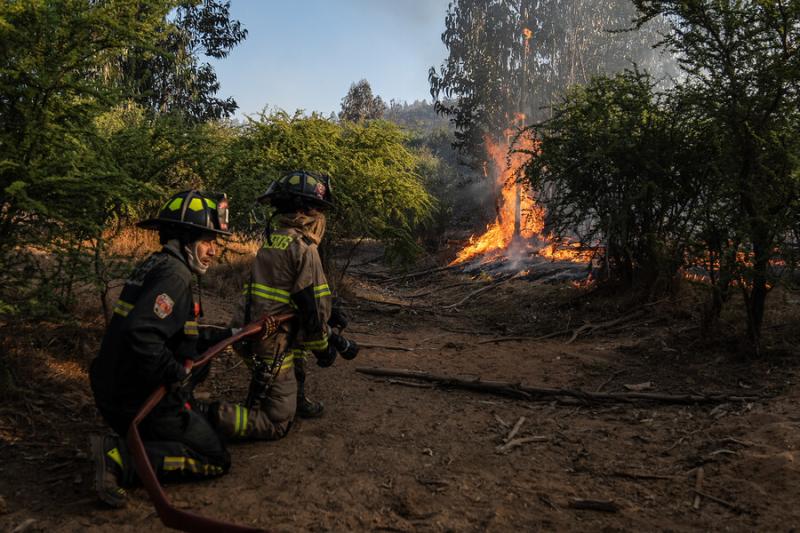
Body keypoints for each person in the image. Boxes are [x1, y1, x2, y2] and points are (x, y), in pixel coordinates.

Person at [89, 189, 235, 508]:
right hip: (141, 400)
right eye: (207, 241)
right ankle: (120, 459)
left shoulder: (159, 264)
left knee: (200, 424)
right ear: (184, 238)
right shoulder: (175, 275)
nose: (213, 251)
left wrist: (231, 334)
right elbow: (142, 334)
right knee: (214, 456)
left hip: (117, 390)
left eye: (215, 243)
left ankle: (140, 437)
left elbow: (174, 332)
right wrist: (174, 374)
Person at [211, 170, 344, 440]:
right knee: (279, 422)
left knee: (296, 347)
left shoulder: (273, 241)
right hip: (270, 343)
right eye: (318, 210)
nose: (321, 217)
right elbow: (312, 311)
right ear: (305, 212)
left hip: (250, 332)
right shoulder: (304, 249)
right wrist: (324, 348)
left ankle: (297, 397)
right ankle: (205, 416)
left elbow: (288, 300)